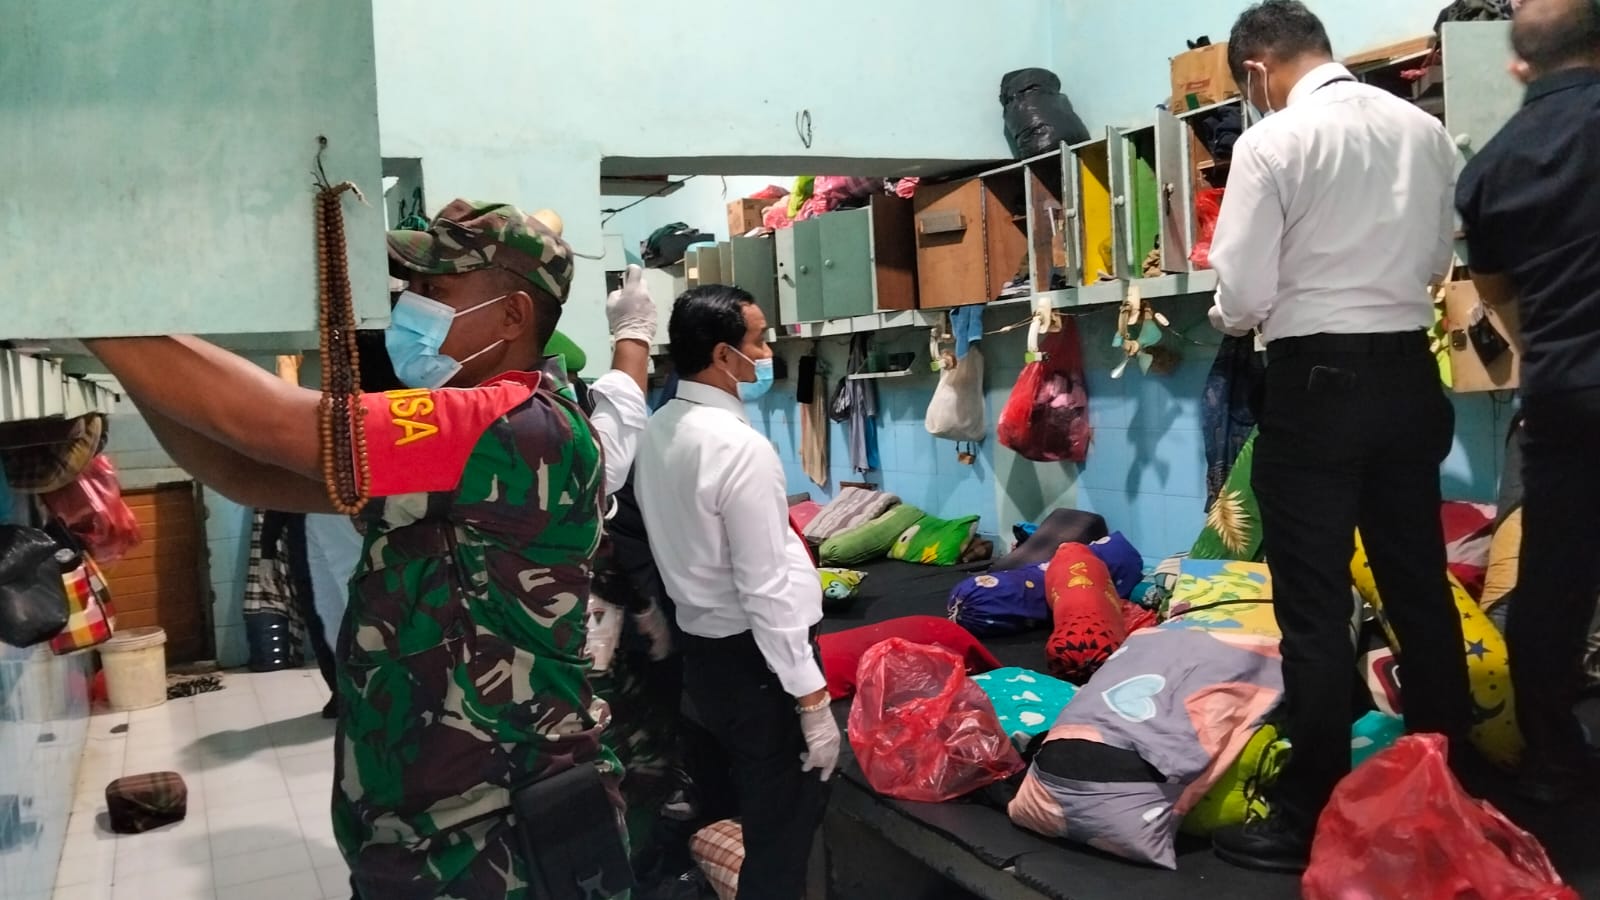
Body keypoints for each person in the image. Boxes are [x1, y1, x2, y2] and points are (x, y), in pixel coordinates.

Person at [84, 199, 650, 900]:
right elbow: (239, 469)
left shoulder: (512, 424)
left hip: (497, 838)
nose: (412, 306)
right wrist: (124, 360)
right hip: (424, 825)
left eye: (436, 290)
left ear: (511, 316)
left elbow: (273, 423)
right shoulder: (465, 448)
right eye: (412, 288)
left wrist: (86, 303)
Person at [1204, 1, 1473, 873]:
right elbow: (1439, 259)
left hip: (1315, 383)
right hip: (1409, 375)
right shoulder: (1423, 130)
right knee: (1418, 586)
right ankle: (1449, 785)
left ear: (1255, 70)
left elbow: (1243, 297)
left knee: (1314, 604)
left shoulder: (1272, 142)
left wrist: (1234, 313)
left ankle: (1308, 812)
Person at [634, 285, 839, 900]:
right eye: (760, 341)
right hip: (758, 665)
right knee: (785, 828)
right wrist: (811, 699)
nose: (769, 353)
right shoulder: (738, 448)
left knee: (749, 802)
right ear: (724, 355)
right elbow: (765, 588)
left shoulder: (658, 429)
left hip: (705, 656)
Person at [1456, 0, 1600, 803]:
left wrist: (1553, 350)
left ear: (1518, 63)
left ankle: (1552, 757)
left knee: (1554, 577)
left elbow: (1497, 295)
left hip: (1561, 390)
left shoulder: (1489, 166)